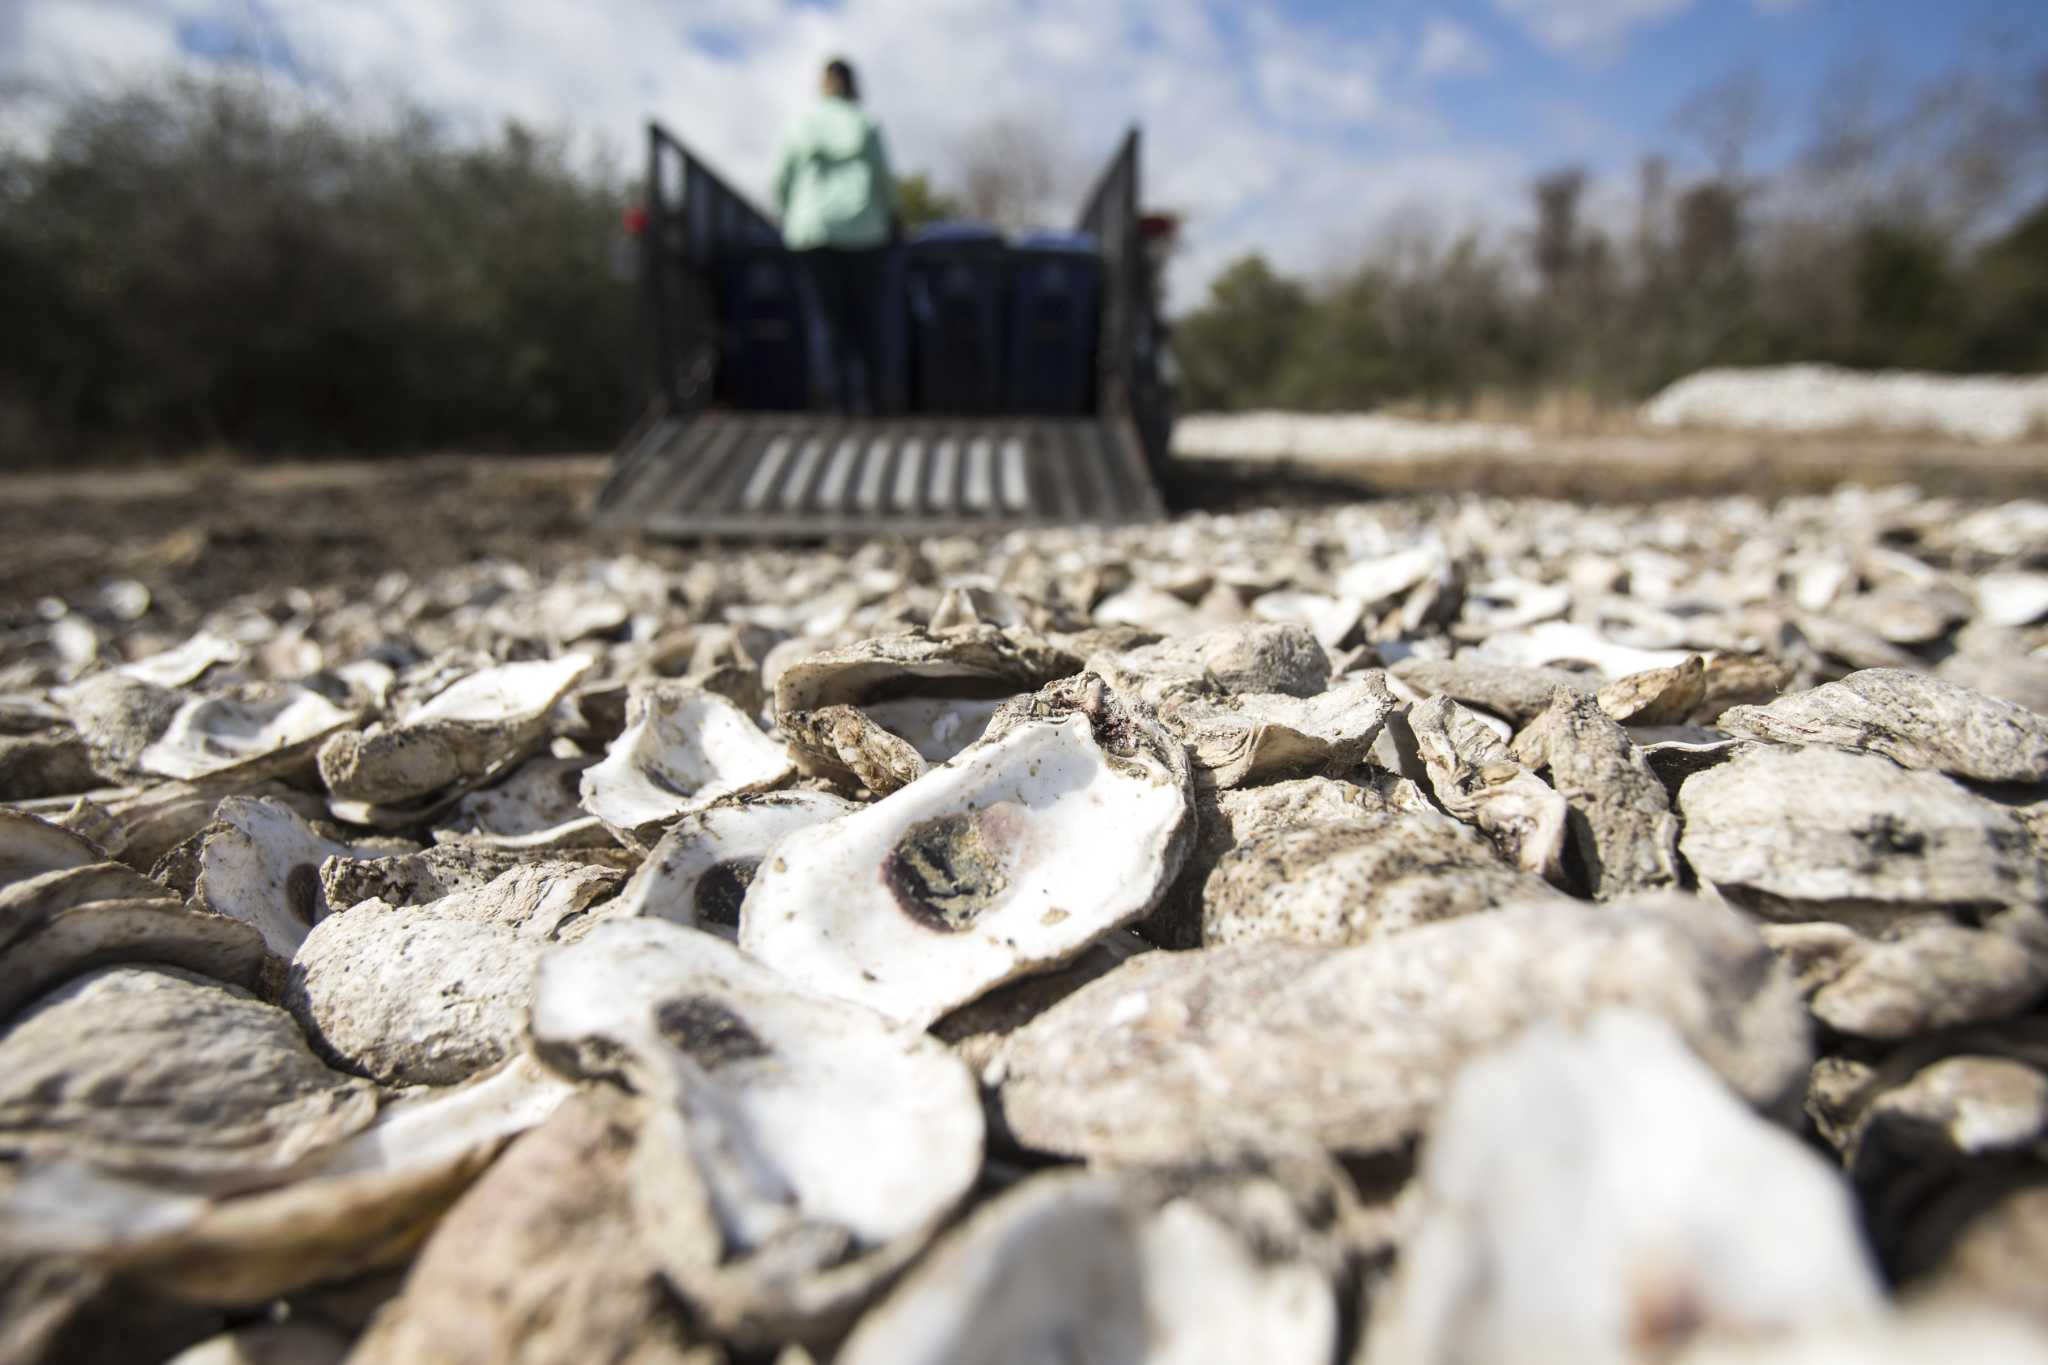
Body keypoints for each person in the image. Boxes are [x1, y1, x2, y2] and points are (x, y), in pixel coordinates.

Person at [773, 58, 896, 415]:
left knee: (824, 321)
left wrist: (787, 214)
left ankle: (832, 406)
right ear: (852, 85)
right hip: (864, 233)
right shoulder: (866, 123)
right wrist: (892, 217)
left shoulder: (802, 124)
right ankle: (866, 404)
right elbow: (884, 181)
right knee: (862, 321)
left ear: (823, 84)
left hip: (811, 230)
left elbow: (780, 180)